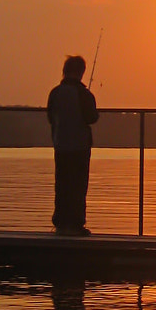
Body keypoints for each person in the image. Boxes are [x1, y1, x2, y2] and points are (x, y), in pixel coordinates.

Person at [47, 55, 99, 234]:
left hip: (60, 143)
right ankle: (76, 223)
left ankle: (61, 222)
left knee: (61, 184)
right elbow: (92, 117)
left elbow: (50, 116)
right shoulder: (83, 94)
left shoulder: (55, 93)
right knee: (78, 185)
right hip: (80, 146)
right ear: (81, 72)